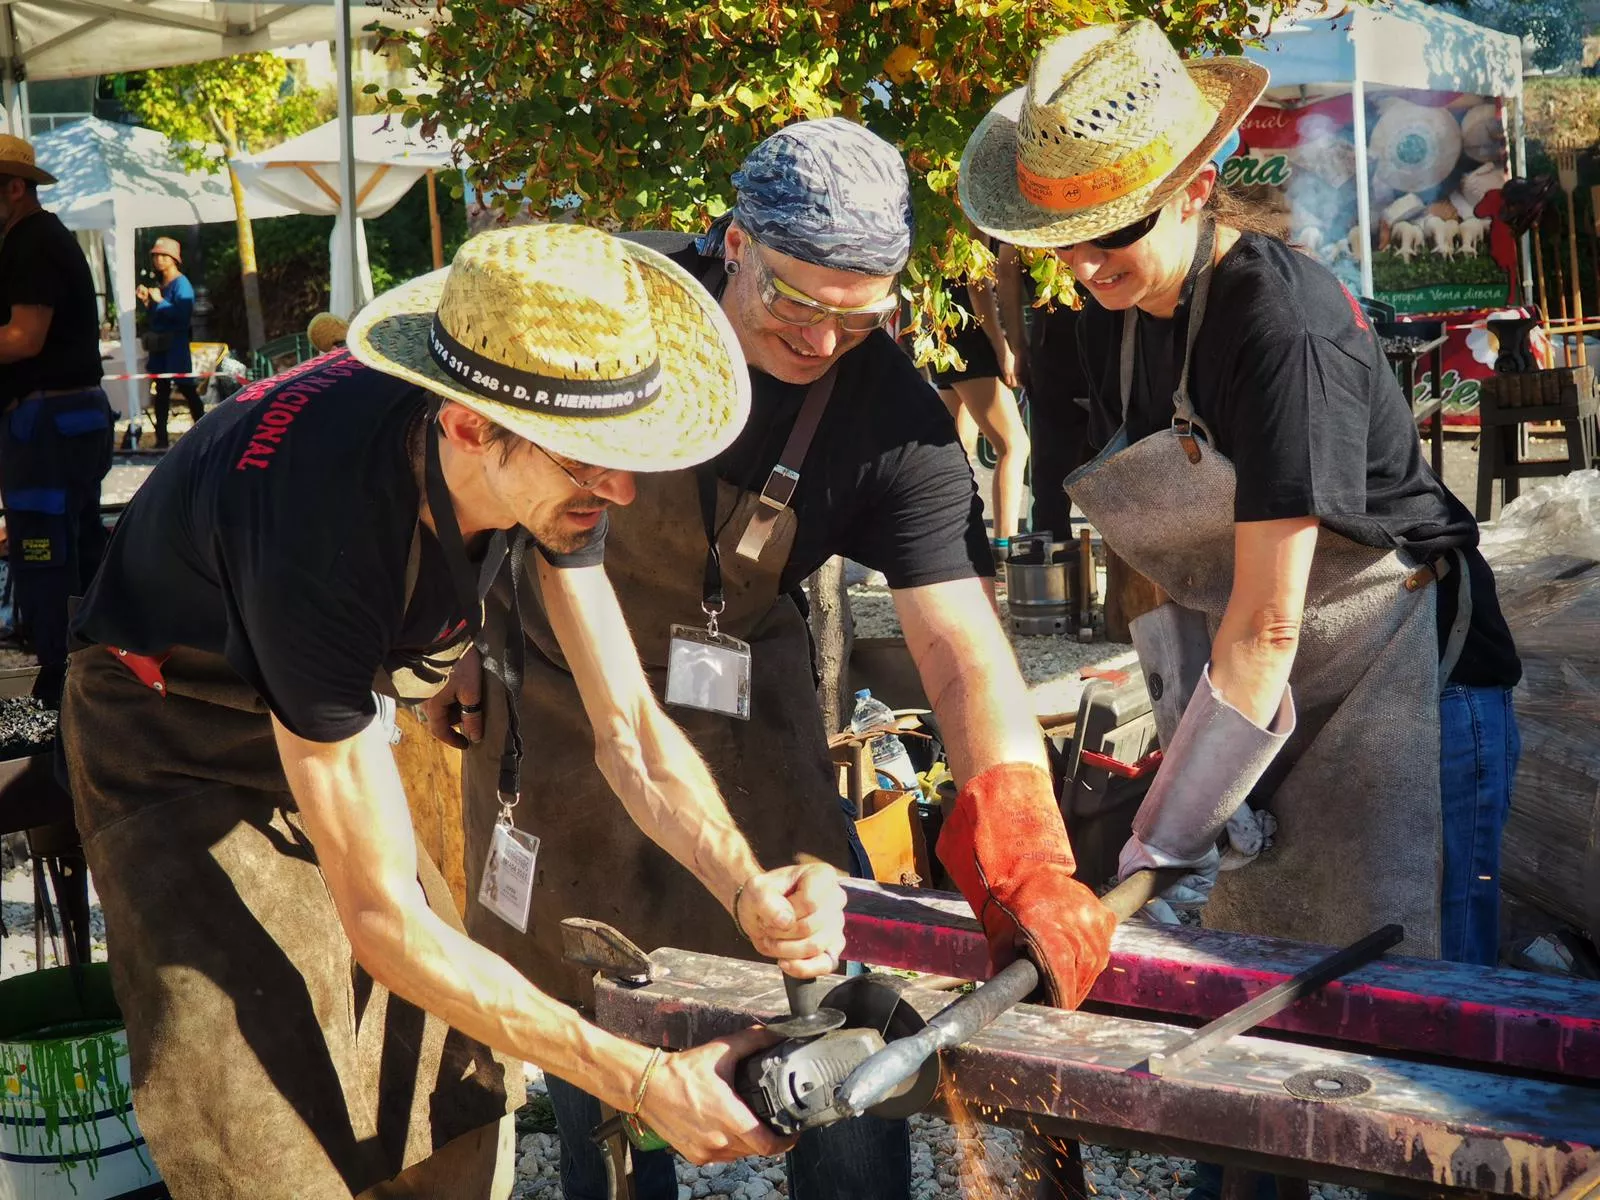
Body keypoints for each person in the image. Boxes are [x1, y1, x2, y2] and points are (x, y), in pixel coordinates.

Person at [61, 223, 849, 1200]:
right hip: (172, 729)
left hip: (319, 698)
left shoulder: (543, 421)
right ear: (468, 426)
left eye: (624, 453)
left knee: (453, 1087)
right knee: (254, 1123)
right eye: (588, 464)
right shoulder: (318, 534)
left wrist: (745, 887)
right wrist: (639, 1079)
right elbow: (383, 922)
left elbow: (633, 734)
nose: (620, 488)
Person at [428, 118, 1118, 1200]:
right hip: (561, 702)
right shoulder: (613, 319)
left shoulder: (892, 418)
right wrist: (458, 634)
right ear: (734, 243)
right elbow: (470, 460)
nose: (823, 337)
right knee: (588, 993)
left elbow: (960, 651)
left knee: (822, 970)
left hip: (742, 702)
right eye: (796, 300)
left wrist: (1027, 849)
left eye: (862, 312)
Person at [960, 17, 1521, 973]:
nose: (1088, 265)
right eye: (1064, 244)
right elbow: (1173, 571)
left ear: (1196, 191)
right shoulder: (1124, 316)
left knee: (1426, 1011)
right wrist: (1186, 743)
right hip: (1273, 704)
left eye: (1112, 235)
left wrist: (1163, 836)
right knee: (1296, 993)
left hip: (1413, 689)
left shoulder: (1282, 330)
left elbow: (1264, 627)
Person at [0, 133, 114, 705]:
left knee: (43, 549)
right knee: (76, 543)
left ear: (14, 188)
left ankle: (60, 680)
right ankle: (91, 672)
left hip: (49, 420)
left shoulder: (33, 243)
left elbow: (22, 338)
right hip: (66, 417)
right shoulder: (35, 240)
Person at [929, 235, 1031, 551]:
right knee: (1014, 446)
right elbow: (977, 285)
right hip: (972, 340)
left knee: (956, 454)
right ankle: (1004, 546)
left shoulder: (940, 210)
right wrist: (1004, 347)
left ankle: (948, 545)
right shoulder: (970, 215)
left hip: (945, 333)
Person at [136, 234, 203, 447]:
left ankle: (206, 431)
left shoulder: (182, 285)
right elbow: (157, 317)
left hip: (175, 347)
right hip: (160, 349)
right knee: (161, 392)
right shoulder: (161, 284)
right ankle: (161, 439)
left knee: (187, 389)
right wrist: (148, 302)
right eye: (156, 256)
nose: (159, 260)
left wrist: (160, 301)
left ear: (174, 258)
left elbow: (182, 316)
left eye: (164, 256)